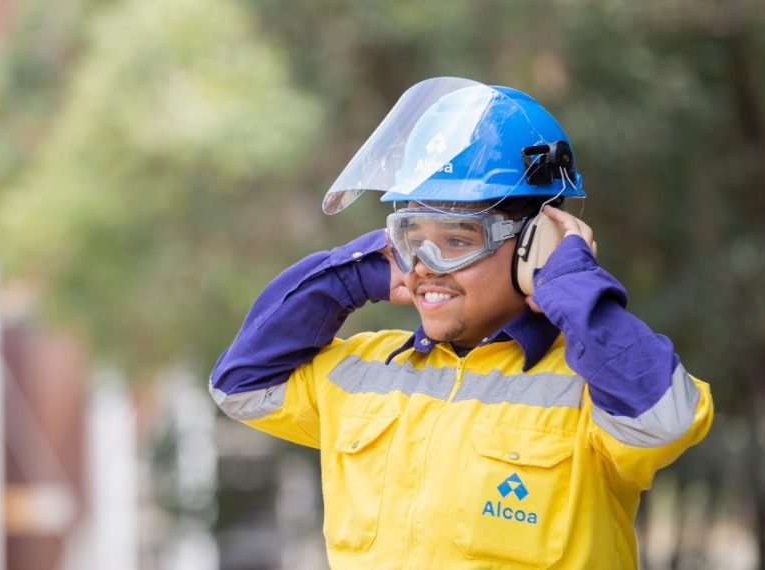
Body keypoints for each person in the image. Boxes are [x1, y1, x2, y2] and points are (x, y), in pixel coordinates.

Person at [209, 77, 713, 569]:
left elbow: (663, 419)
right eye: (411, 239)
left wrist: (570, 287)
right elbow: (240, 386)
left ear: (533, 244)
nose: (423, 265)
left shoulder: (594, 384)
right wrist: (351, 274)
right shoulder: (362, 371)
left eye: (456, 240)